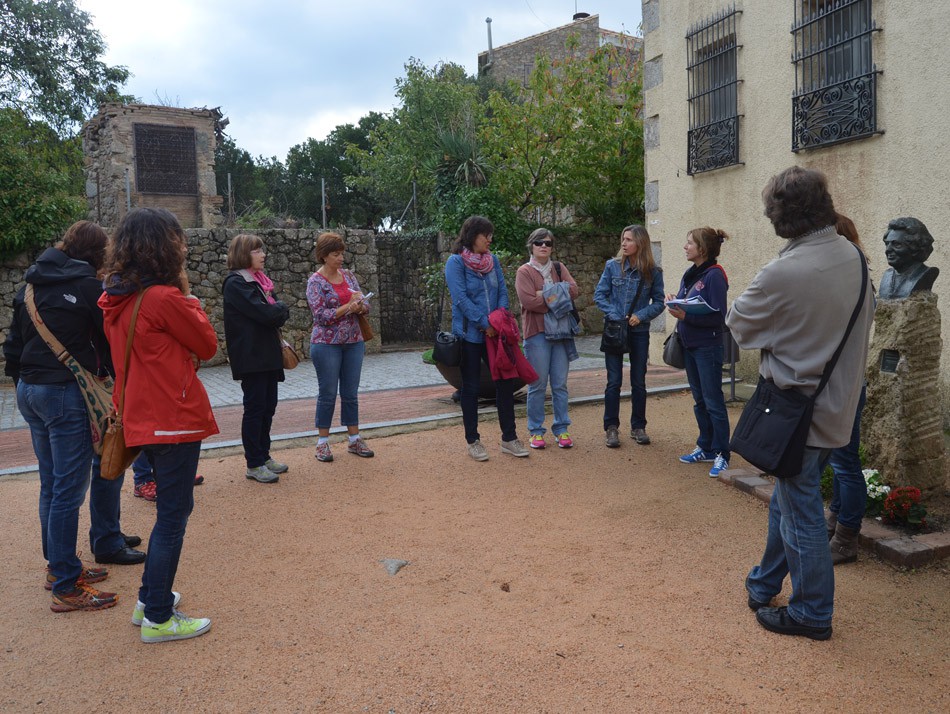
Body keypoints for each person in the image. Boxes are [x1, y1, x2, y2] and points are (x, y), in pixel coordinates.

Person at [727, 166, 873, 641]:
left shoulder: (784, 269)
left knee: (803, 513)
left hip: (797, 414)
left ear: (780, 215)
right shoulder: (853, 256)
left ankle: (812, 612)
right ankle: (765, 582)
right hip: (837, 407)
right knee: (789, 502)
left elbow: (740, 327)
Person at [3, 220, 141, 611]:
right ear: (96, 254)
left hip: (30, 391)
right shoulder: (87, 287)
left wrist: (24, 381)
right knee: (68, 490)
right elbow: (109, 342)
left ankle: (58, 567)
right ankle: (66, 586)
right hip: (65, 394)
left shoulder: (30, 285)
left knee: (51, 484)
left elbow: (13, 345)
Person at [99, 207, 218, 643]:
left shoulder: (117, 297)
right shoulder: (164, 298)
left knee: (170, 513)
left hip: (141, 416)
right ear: (162, 246)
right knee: (173, 516)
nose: (183, 246)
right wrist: (193, 306)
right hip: (172, 417)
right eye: (177, 238)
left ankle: (150, 599)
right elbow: (206, 345)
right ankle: (159, 617)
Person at [445, 215, 529, 461]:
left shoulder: (493, 261)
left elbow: (503, 292)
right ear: (472, 236)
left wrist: (498, 320)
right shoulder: (455, 262)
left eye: (491, 235)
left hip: (495, 334)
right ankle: (473, 441)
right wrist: (484, 324)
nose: (490, 239)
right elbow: (460, 299)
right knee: (470, 388)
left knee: (504, 383)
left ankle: (509, 438)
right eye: (486, 235)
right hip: (470, 335)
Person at [223, 234, 292, 483]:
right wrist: (282, 308)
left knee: (268, 407)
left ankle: (263, 455)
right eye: (257, 251)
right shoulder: (236, 283)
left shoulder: (258, 282)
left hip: (266, 354)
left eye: (262, 250)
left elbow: (270, 313)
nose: (263, 255)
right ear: (243, 254)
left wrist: (277, 310)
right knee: (254, 409)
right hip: (252, 357)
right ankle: (253, 463)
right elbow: (266, 314)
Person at [826, 213, 872, 565]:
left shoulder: (852, 283)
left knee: (845, 462)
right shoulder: (859, 280)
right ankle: (836, 520)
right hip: (846, 382)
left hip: (846, 384)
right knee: (840, 459)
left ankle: (847, 538)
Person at [593, 224, 665, 448]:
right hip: (615, 329)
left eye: (629, 240)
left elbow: (660, 302)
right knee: (613, 381)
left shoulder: (653, 271)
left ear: (640, 243)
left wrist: (640, 316)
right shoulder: (612, 267)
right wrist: (617, 315)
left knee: (638, 381)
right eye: (623, 239)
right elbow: (599, 295)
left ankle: (638, 426)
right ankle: (611, 428)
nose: (624, 243)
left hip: (639, 331)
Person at [667, 227, 731, 478]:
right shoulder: (690, 273)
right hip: (690, 345)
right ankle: (705, 447)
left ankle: (722, 453)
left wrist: (686, 316)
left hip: (707, 346)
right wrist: (675, 301)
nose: (685, 246)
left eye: (689, 243)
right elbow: (687, 303)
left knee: (714, 401)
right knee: (700, 400)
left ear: (702, 249)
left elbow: (718, 316)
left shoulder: (715, 276)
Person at [307, 232, 374, 463]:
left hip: (353, 341)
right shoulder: (315, 281)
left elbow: (366, 305)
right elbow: (321, 315)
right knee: (327, 394)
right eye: (336, 254)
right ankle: (322, 443)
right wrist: (348, 307)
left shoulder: (349, 275)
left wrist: (361, 306)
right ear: (324, 256)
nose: (341, 258)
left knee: (350, 393)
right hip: (326, 344)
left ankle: (354, 438)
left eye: (342, 253)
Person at [515, 228, 580, 449]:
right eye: (539, 242)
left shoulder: (559, 268)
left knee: (560, 385)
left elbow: (575, 290)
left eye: (548, 243)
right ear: (531, 245)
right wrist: (558, 295)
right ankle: (535, 431)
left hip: (561, 334)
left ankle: (562, 429)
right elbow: (528, 302)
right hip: (537, 335)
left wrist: (543, 293)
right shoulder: (524, 272)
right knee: (538, 385)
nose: (544, 246)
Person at [878, 216, 938, 299]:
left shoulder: (924, 274)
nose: (887, 250)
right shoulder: (887, 276)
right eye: (887, 244)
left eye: (897, 244)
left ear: (915, 247)